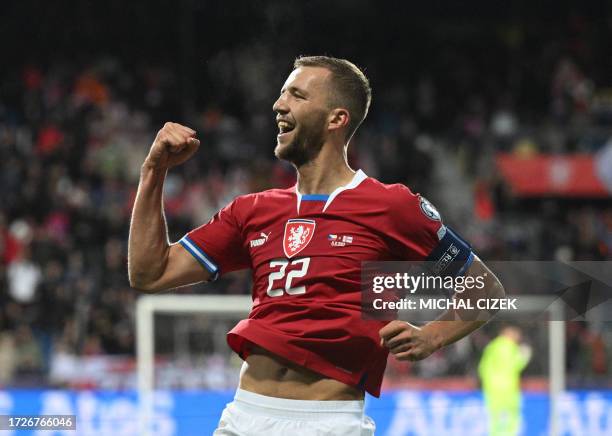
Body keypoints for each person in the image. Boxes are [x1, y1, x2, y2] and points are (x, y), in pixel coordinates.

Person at [128, 56, 505, 435]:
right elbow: (150, 272)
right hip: (244, 416)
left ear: (336, 119)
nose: (279, 104)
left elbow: (487, 288)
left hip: (329, 423)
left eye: (296, 95)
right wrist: (153, 172)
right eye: (280, 94)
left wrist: (432, 336)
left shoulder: (393, 207)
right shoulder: (252, 211)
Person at [478, 326, 532, 436]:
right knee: (512, 416)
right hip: (508, 388)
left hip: (491, 389)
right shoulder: (509, 346)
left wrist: (488, 382)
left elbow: (482, 368)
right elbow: (513, 365)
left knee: (495, 417)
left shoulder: (491, 346)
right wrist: (524, 356)